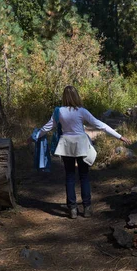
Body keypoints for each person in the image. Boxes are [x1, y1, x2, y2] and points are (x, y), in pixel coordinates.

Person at [31, 85, 130, 219]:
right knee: (84, 176)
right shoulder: (82, 111)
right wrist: (119, 136)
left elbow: (46, 128)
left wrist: (34, 136)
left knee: (70, 176)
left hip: (66, 145)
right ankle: (87, 207)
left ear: (64, 97)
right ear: (76, 96)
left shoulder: (58, 111)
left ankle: (72, 209)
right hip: (81, 145)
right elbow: (100, 125)